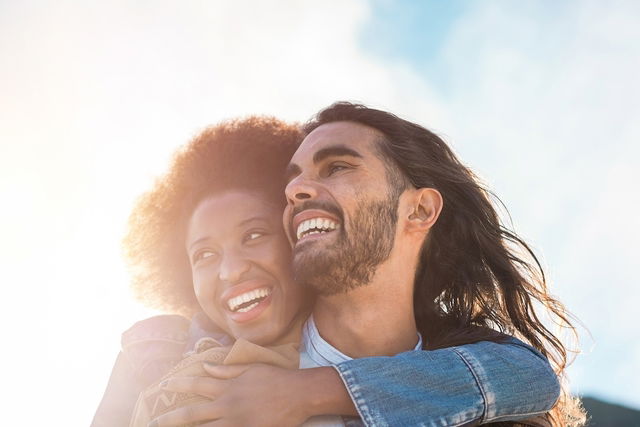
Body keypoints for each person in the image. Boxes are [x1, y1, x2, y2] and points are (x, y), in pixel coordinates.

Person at [93, 115, 566, 427]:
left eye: (337, 166)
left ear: (419, 210)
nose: (298, 189)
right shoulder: (203, 368)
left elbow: (530, 376)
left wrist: (307, 393)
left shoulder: (493, 394)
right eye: (292, 179)